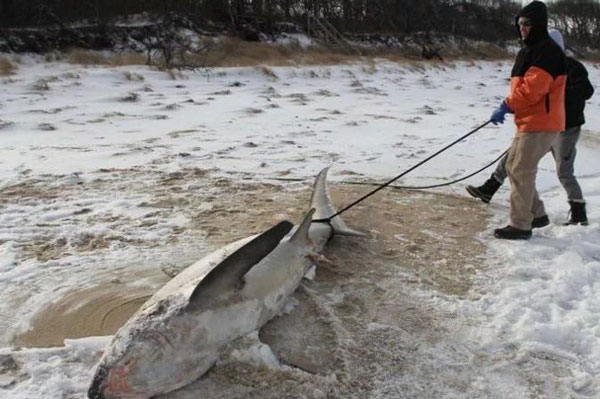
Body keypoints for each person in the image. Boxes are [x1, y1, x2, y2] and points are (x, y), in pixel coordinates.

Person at [467, 28, 594, 227]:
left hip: (566, 128)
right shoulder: (537, 65)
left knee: (563, 171)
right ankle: (490, 188)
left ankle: (578, 213)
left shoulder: (572, 67)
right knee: (514, 159)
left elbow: (586, 91)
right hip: (540, 124)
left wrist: (557, 95)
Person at [478, 1, 567, 240]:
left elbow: (532, 90)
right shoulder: (529, 49)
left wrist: (507, 105)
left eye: (527, 24)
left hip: (542, 122)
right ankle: (537, 215)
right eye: (520, 24)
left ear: (538, 25)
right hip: (529, 121)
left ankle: (520, 225)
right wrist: (510, 106)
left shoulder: (546, 51)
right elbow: (523, 87)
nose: (522, 28)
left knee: (521, 169)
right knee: (513, 166)